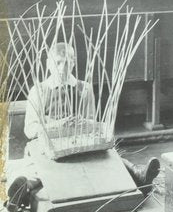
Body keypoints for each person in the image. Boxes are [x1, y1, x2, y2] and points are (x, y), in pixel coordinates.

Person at [24, 42, 160, 195]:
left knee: (106, 155)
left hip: (78, 144)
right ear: (49, 64)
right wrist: (58, 126)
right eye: (58, 63)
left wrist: (82, 124)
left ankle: (138, 174)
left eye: (67, 63)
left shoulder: (84, 88)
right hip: (49, 147)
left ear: (74, 63)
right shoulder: (39, 90)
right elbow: (30, 130)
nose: (62, 69)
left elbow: (90, 123)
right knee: (46, 171)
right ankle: (27, 186)